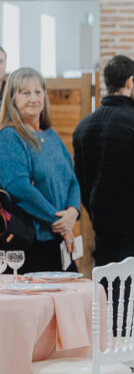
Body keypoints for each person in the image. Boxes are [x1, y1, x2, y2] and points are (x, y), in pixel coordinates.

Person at [73, 55, 134, 268]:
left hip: (102, 223)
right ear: (130, 82)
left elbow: (81, 181)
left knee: (106, 285)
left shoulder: (83, 127)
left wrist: (95, 209)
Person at [0, 67, 80, 271]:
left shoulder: (52, 136)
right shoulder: (9, 137)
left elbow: (72, 179)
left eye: (38, 92)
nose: (33, 98)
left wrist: (72, 212)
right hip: (32, 242)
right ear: (12, 99)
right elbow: (18, 187)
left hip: (59, 239)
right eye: (25, 93)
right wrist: (59, 220)